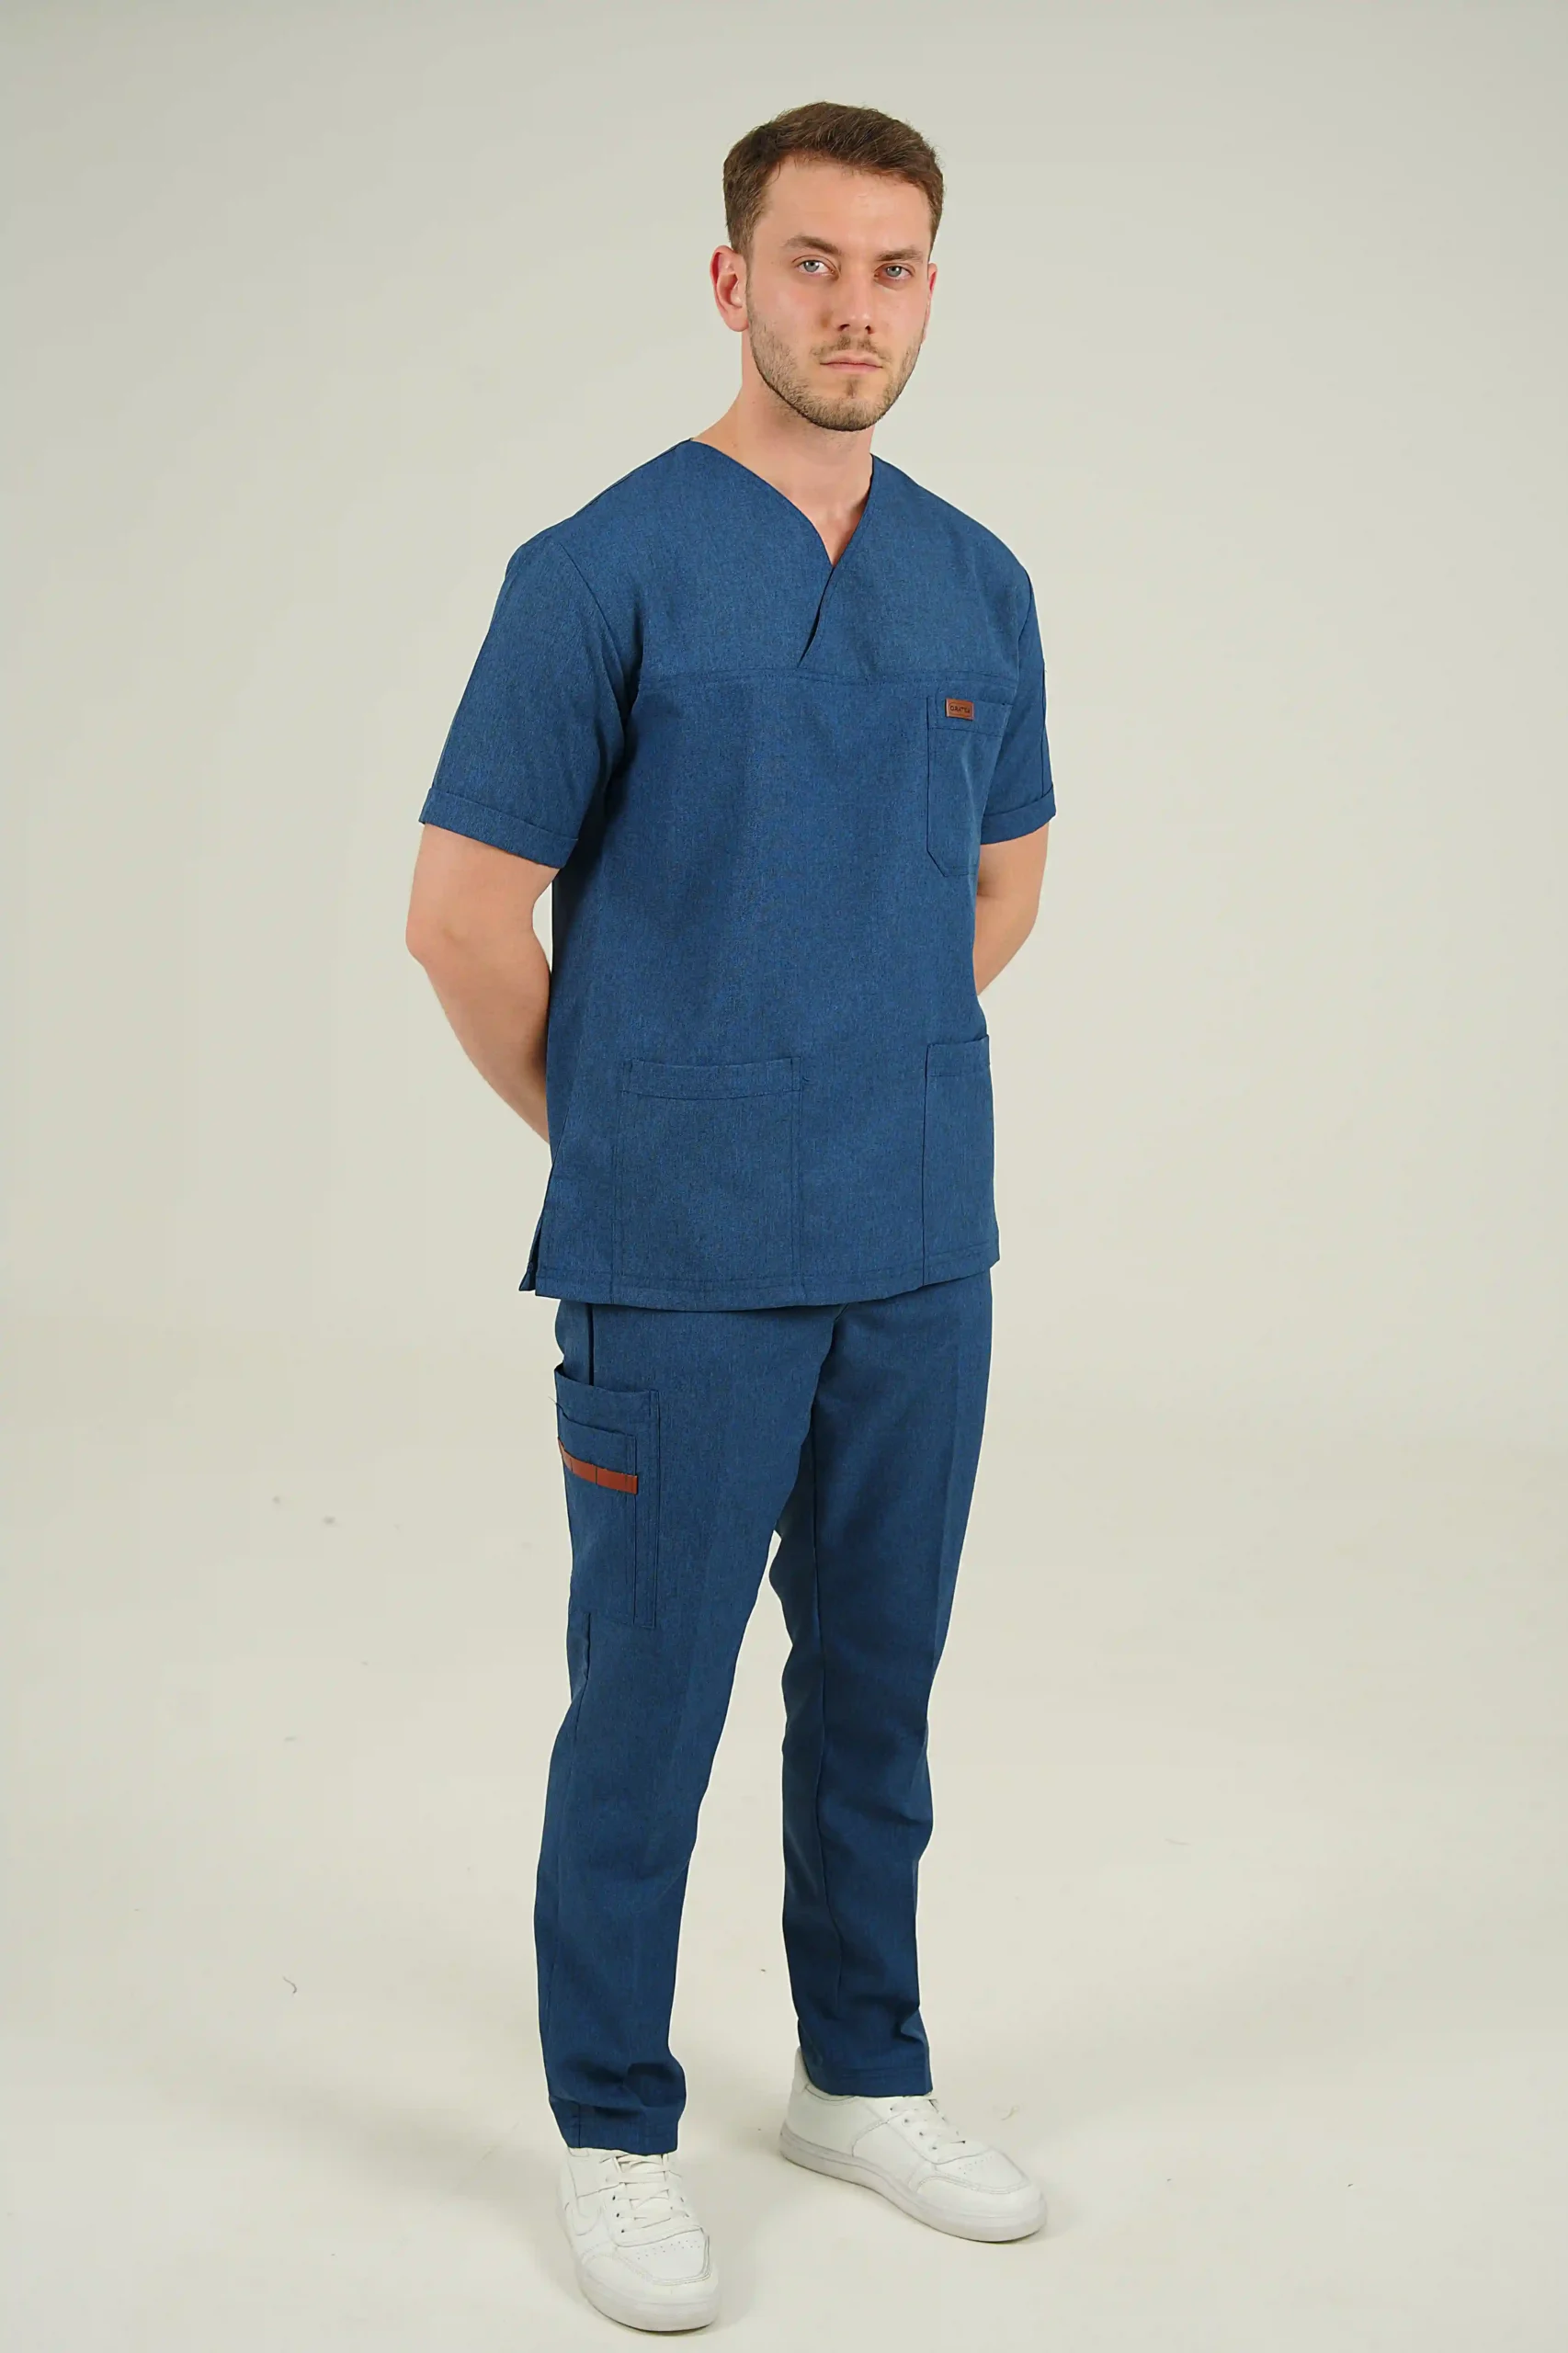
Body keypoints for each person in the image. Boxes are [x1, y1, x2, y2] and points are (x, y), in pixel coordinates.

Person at [405, 98, 1057, 2336]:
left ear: (929, 291)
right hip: (678, 1267)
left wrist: (844, 1070)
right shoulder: (598, 570)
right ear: (731, 280)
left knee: (877, 1698)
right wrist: (643, 1129)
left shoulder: (976, 578)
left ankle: (861, 2075)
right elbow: (460, 915)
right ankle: (613, 2124)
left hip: (918, 1243)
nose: (852, 308)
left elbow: (1003, 880)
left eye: (893, 268)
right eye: (811, 262)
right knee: (649, 1710)